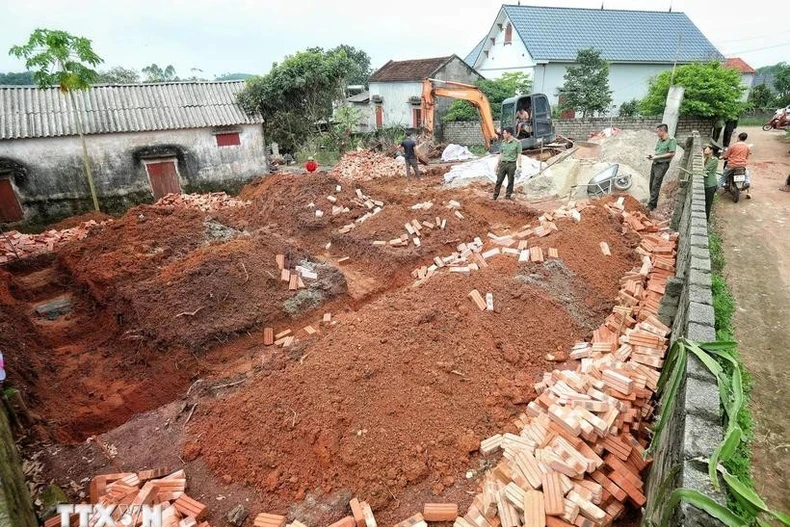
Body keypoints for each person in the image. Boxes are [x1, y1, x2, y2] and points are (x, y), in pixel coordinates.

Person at [646, 123, 677, 211]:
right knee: (651, 183)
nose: (657, 134)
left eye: (657, 132)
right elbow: (658, 152)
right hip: (655, 163)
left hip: (662, 165)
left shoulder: (671, 140)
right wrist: (652, 156)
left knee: (656, 184)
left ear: (662, 131)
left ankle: (651, 206)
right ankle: (653, 202)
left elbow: (672, 153)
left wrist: (658, 157)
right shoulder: (660, 140)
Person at [493, 127, 522, 200]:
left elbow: (519, 155)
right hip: (503, 164)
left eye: (504, 133)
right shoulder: (503, 142)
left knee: (510, 181)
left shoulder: (517, 143)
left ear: (509, 134)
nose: (503, 134)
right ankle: (495, 196)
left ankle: (507, 197)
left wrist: (520, 166)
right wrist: (497, 164)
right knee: (499, 180)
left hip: (511, 165)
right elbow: (501, 154)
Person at [721, 132, 751, 199]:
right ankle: (747, 183)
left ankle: (718, 188)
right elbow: (747, 157)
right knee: (747, 174)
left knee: (723, 176)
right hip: (742, 165)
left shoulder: (733, 146)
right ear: (745, 139)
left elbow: (726, 156)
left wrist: (722, 157)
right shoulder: (747, 147)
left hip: (732, 165)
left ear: (738, 137)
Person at [702, 142, 721, 220]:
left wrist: (702, 159)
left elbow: (704, 169)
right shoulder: (707, 158)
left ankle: (706, 220)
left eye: (707, 148)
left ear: (711, 150)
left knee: (708, 204)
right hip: (705, 184)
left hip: (710, 185)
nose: (704, 149)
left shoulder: (714, 160)